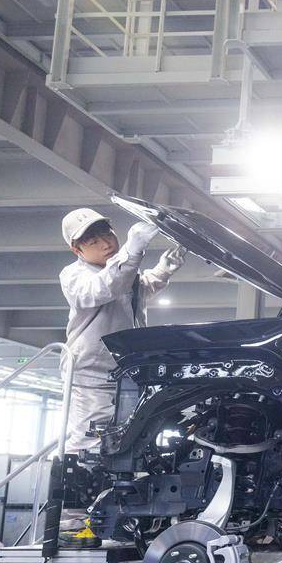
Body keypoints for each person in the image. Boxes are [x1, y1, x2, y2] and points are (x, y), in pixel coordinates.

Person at [58, 209, 185, 541]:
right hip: (91, 374)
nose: (105, 243)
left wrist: (164, 269)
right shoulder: (75, 275)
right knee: (88, 443)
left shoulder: (121, 270)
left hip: (126, 373)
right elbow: (104, 289)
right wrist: (132, 249)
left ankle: (115, 515)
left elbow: (139, 287)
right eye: (93, 241)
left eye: (107, 234)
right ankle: (73, 521)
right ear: (77, 249)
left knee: (126, 442)